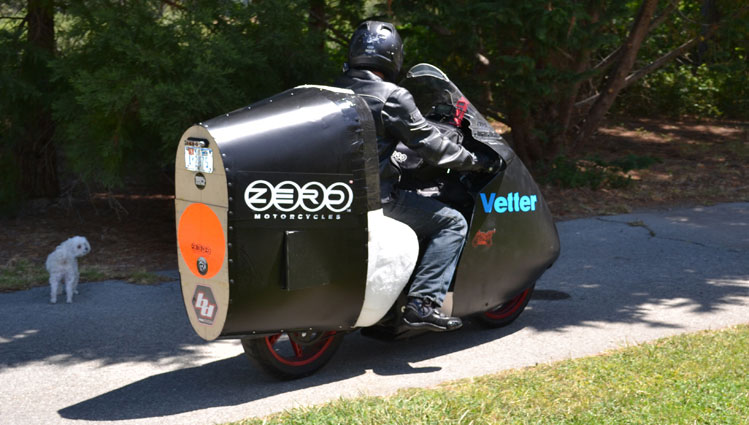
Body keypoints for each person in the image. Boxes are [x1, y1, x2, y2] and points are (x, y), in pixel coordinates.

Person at [335, 21, 500, 332]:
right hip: (378, 200)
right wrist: (475, 161)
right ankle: (423, 304)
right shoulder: (391, 96)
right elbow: (431, 145)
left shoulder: (336, 90)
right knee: (452, 223)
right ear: (393, 55)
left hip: (341, 197)